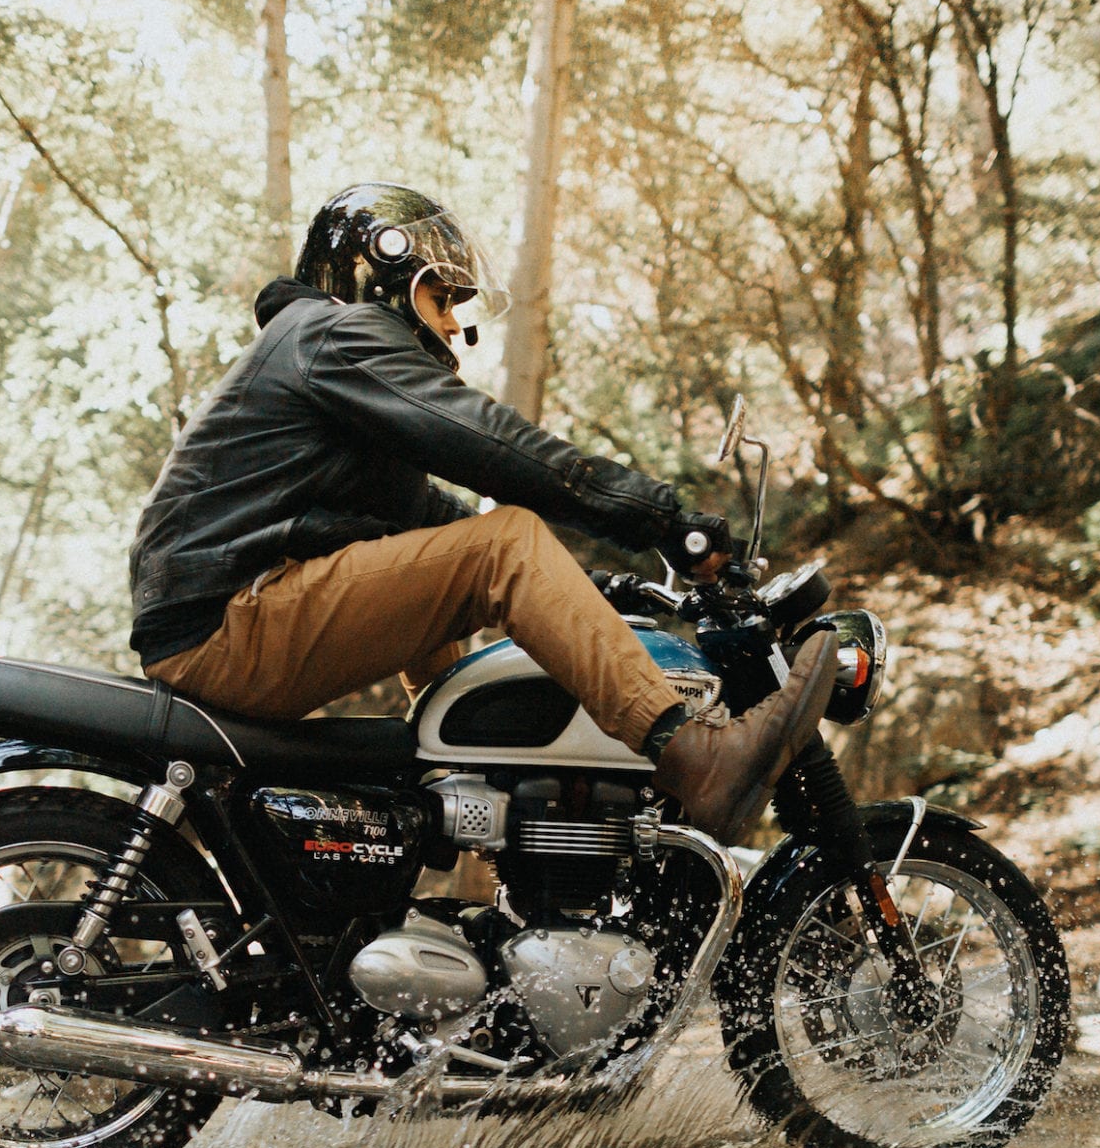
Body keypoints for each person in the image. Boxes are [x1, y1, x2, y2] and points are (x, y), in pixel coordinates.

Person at [130, 182, 838, 839]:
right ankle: (696, 758)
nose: (454, 329)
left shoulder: (329, 372)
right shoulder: (330, 334)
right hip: (228, 619)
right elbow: (494, 447)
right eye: (444, 301)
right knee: (506, 543)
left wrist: (600, 585)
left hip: (236, 613)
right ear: (390, 279)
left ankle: (465, 817)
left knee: (479, 558)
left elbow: (440, 527)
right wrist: (662, 520)